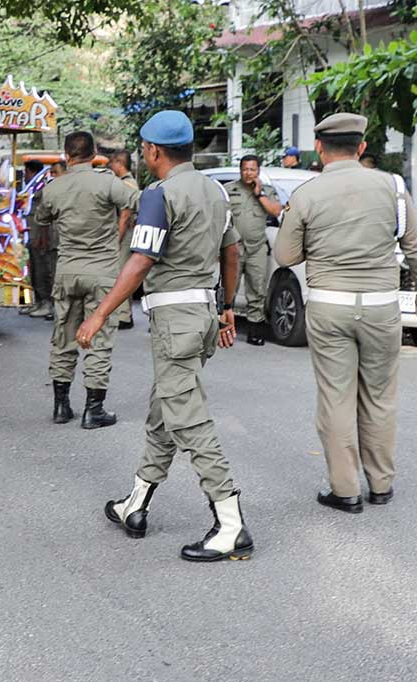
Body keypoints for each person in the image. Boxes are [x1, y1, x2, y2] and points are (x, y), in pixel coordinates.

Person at [76, 110, 254, 562]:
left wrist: (99, 315)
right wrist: (228, 306)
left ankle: (230, 523)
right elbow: (232, 252)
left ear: (154, 151)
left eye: (144, 149)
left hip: (174, 318)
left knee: (188, 418)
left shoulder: (159, 194)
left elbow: (140, 260)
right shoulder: (216, 190)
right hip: (204, 315)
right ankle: (136, 504)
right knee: (165, 410)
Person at [274, 112, 417, 514]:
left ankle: (345, 491)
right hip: (382, 306)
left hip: (330, 306)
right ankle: (381, 484)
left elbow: (285, 255)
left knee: (336, 399)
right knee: (380, 398)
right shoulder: (392, 187)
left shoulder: (308, 194)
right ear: (361, 147)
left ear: (319, 148)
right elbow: (415, 246)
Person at [34, 132, 136, 429]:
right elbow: (136, 201)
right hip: (102, 273)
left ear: (66, 155)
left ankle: (61, 407)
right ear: (94, 154)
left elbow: (42, 217)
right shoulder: (107, 182)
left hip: (67, 272)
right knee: (99, 341)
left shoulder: (55, 187)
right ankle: (94, 410)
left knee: (63, 338)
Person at [224, 154, 282, 345]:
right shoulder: (229, 190)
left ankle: (255, 330)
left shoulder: (267, 191)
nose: (249, 173)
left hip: (257, 248)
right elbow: (220, 219)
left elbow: (275, 211)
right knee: (228, 290)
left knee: (257, 289)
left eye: (253, 170)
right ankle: (223, 328)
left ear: (258, 171)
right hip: (234, 247)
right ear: (240, 170)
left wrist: (259, 194)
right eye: (245, 169)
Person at [108, 150, 140, 330]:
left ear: (119, 163)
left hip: (125, 234)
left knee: (121, 274)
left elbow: (125, 215)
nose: (111, 166)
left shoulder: (126, 183)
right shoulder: (125, 182)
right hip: (125, 232)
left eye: (113, 163)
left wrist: (117, 240)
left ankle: (124, 315)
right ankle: (122, 313)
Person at [24, 160, 56, 319]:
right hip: (30, 233)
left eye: (26, 172)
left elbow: (45, 216)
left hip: (40, 235)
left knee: (44, 269)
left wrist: (42, 237)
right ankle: (38, 300)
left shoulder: (43, 188)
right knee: (34, 269)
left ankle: (47, 302)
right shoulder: (28, 188)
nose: (24, 176)